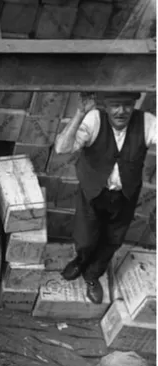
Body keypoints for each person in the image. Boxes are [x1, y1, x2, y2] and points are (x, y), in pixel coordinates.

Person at [52, 91, 157, 304]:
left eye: (127, 105)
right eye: (115, 105)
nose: (121, 111)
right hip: (93, 191)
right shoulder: (93, 119)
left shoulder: (146, 122)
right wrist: (80, 113)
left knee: (113, 240)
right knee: (86, 238)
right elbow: (62, 148)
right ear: (106, 106)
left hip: (125, 195)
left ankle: (92, 275)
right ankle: (80, 261)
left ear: (134, 105)